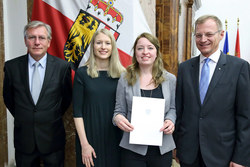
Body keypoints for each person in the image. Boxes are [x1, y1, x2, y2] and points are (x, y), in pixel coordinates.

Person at [174, 15, 250, 167]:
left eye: (209, 34)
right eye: (199, 35)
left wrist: (241, 157)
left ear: (221, 35)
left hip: (223, 155)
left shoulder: (239, 67)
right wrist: (176, 145)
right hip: (189, 154)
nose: (203, 40)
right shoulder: (185, 68)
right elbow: (179, 111)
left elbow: (245, 116)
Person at [3, 21, 72, 167]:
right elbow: (8, 98)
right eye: (32, 37)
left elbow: (65, 98)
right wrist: (25, 115)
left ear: (49, 41)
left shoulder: (62, 67)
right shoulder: (11, 67)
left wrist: (48, 115)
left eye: (41, 37)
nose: (37, 42)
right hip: (24, 140)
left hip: (52, 138)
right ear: (25, 41)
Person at [113, 32, 176, 167]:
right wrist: (118, 119)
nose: (145, 52)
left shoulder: (170, 79)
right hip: (132, 150)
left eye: (150, 47)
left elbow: (173, 108)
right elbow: (118, 111)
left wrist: (170, 120)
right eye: (140, 48)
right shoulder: (125, 78)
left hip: (162, 149)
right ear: (135, 53)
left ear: (157, 52)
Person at [73, 28, 125, 167]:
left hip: (116, 137)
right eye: (99, 43)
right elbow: (77, 113)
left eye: (107, 43)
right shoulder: (82, 74)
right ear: (93, 46)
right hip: (89, 138)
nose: (103, 47)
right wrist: (84, 144)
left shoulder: (123, 75)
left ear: (113, 47)